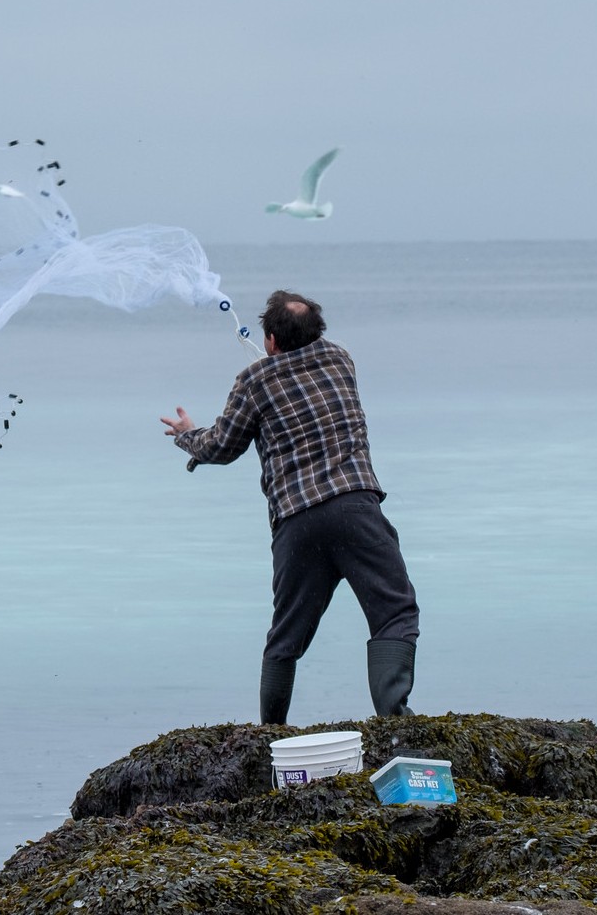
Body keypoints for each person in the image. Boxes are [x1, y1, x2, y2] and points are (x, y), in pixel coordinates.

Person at [161, 290, 419, 724]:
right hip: (356, 509)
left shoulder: (254, 381)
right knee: (394, 612)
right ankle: (394, 721)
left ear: (271, 340)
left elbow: (221, 447)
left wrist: (188, 434)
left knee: (287, 636)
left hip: (298, 523)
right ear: (318, 334)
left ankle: (271, 734)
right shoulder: (341, 360)